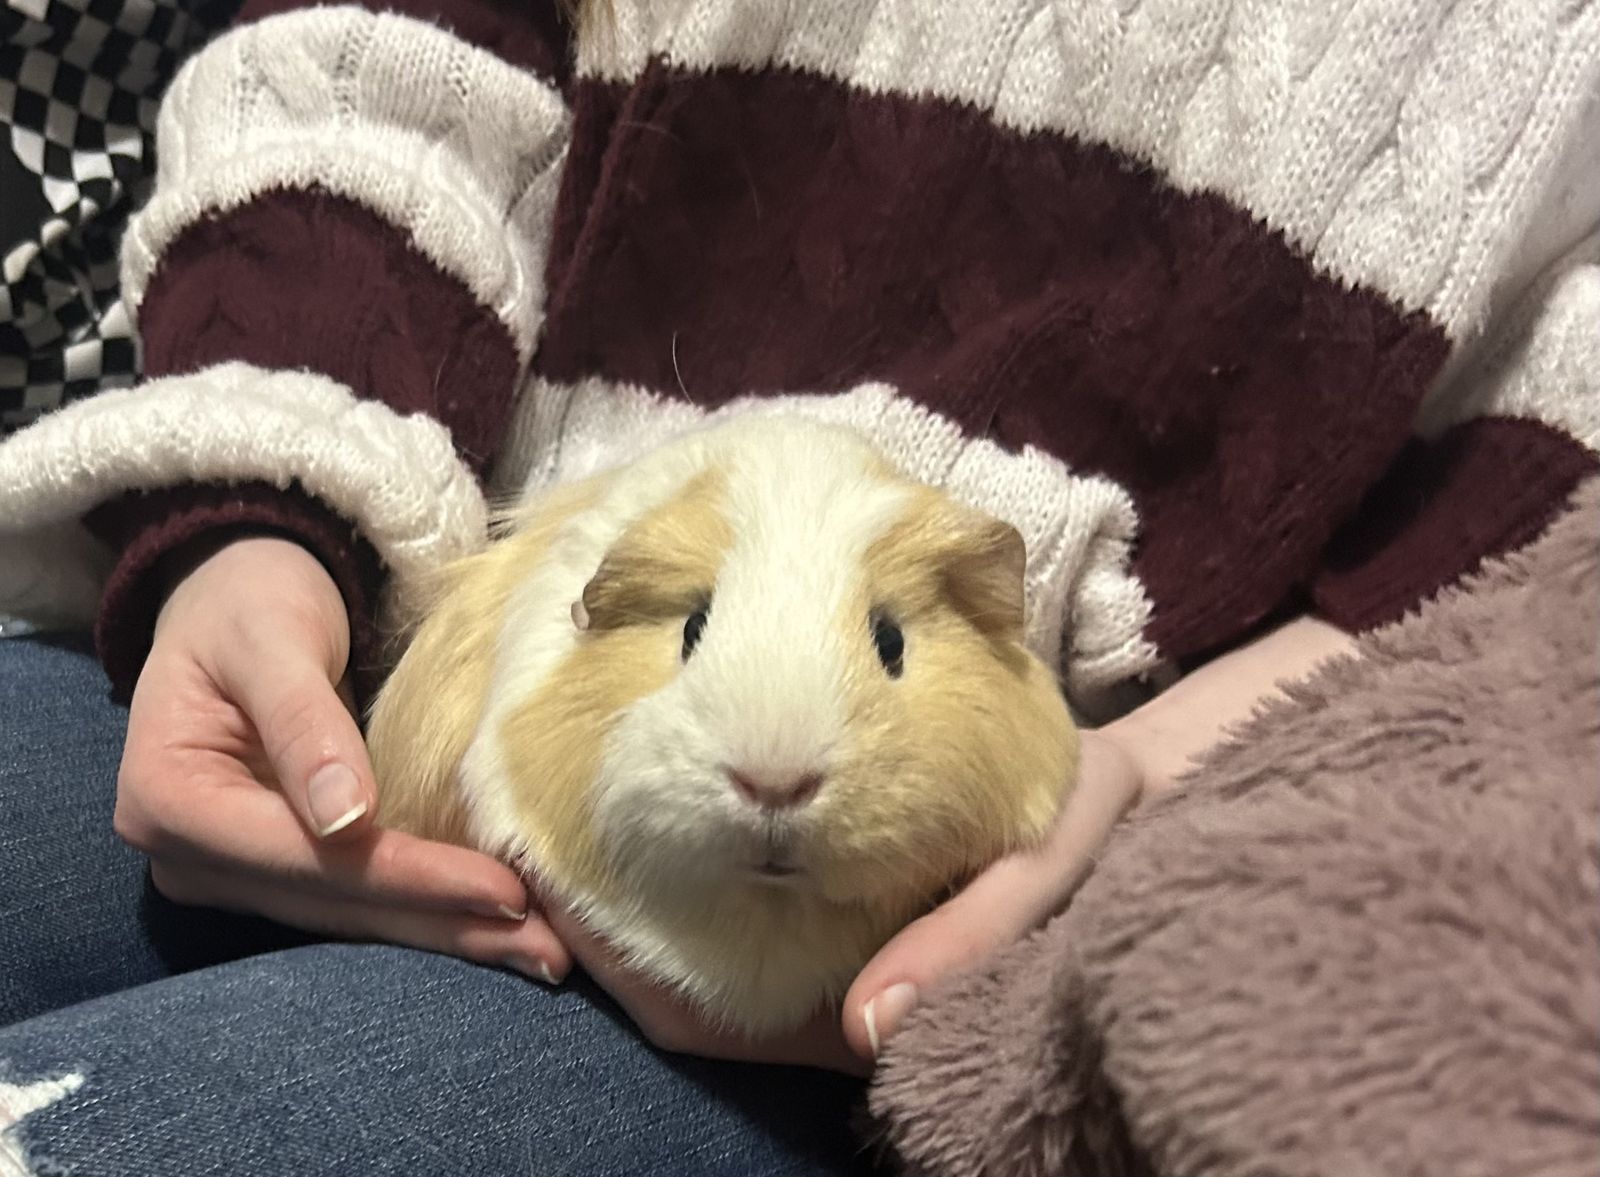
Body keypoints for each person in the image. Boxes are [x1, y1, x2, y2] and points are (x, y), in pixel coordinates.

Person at [1, 0, 1596, 1172]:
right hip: (396, 568)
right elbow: (389, 46)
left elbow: (1544, 507)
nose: (774, 762)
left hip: (1069, 878)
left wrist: (1129, 777)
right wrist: (259, 509)